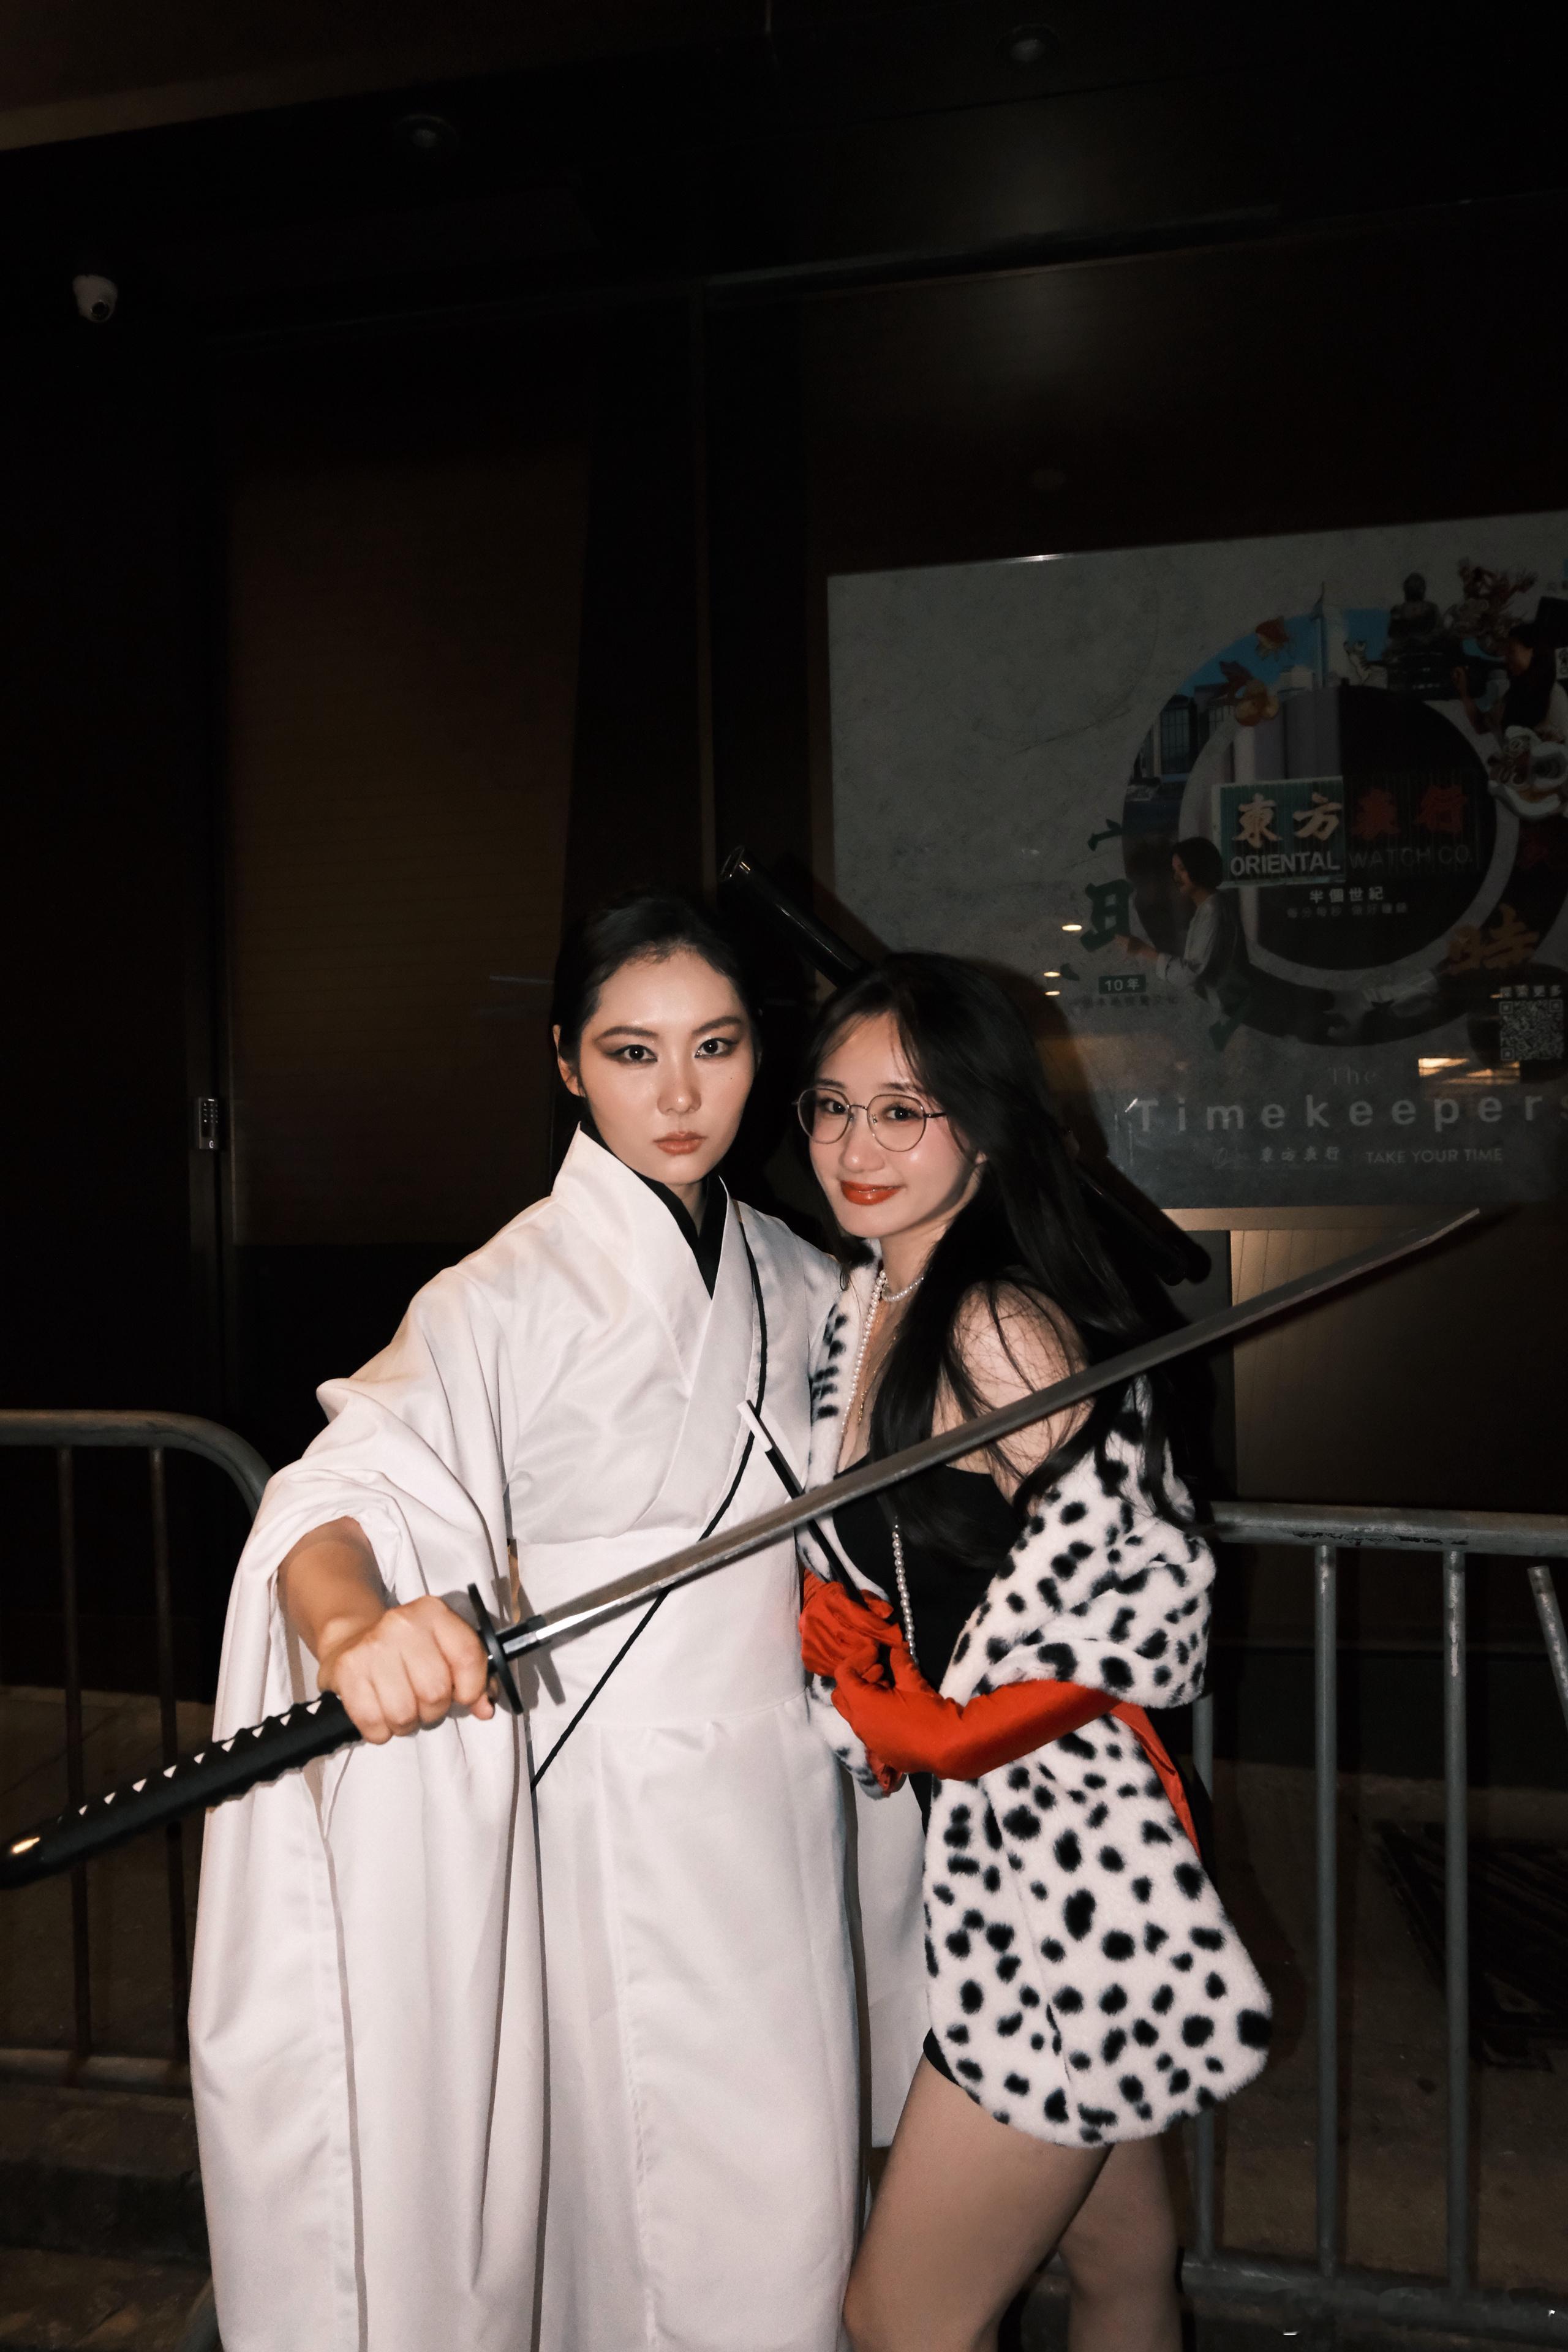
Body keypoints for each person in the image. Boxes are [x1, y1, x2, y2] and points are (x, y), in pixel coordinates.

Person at [189, 892, 862, 2352]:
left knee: (792, 2208)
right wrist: (352, 1629)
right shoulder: (499, 1294)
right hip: (611, 1804)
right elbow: (345, 1487)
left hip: (781, 1796)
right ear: (566, 1062)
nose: (678, 1097)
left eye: (715, 1047)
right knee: (638, 2193)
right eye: (631, 1052)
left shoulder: (805, 1274)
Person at [792, 954, 1272, 2352]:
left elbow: (1153, 1587)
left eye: (904, 1110)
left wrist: (944, 1728)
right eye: (833, 1106)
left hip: (1064, 1882)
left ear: (986, 1129)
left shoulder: (997, 1326)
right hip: (997, 1858)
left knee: (899, 2318)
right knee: (1121, 2261)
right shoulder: (865, 1304)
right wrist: (854, 1638)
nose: (858, 1146)